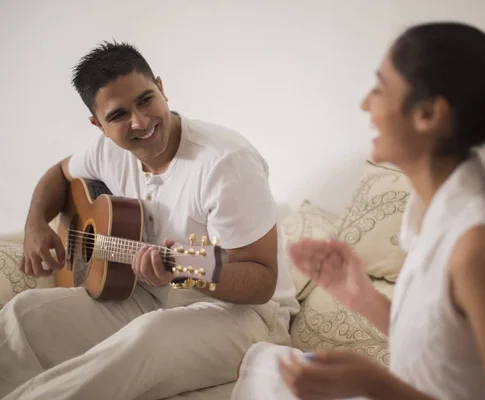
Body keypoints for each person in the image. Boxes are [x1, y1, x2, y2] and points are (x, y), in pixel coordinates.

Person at [232, 21, 485, 400]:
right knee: (266, 366)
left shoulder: (477, 246)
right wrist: (360, 296)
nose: (365, 104)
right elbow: (442, 351)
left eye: (380, 89)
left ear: (428, 115)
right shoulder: (428, 212)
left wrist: (377, 384)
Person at [0, 41, 299, 399]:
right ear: (99, 125)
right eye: (118, 115)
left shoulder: (225, 162)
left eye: (145, 99)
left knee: (147, 335)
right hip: (145, 295)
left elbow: (261, 282)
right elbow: (59, 174)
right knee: (23, 315)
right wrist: (35, 224)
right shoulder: (106, 152)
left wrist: (183, 269)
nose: (140, 122)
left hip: (247, 315)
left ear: (162, 87)